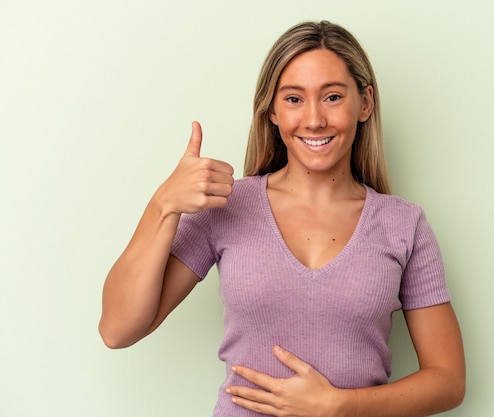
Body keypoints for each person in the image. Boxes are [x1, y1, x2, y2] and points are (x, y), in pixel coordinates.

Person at [99, 20, 465, 417]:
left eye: (332, 97)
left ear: (365, 103)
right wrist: (163, 205)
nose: (313, 120)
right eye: (293, 99)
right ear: (271, 110)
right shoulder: (227, 206)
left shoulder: (404, 225)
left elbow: (448, 380)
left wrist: (341, 405)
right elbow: (117, 329)